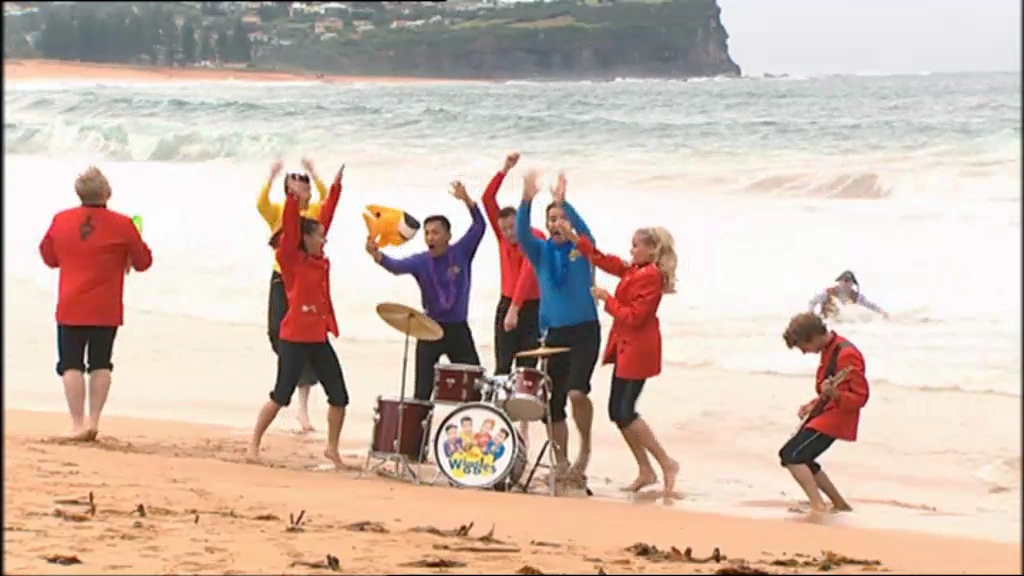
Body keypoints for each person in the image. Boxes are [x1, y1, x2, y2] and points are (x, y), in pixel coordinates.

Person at [558, 221, 681, 494]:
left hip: (639, 349)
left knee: (624, 411)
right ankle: (646, 469)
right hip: (627, 348)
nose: (631, 250)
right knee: (618, 411)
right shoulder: (634, 270)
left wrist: (607, 299)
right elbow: (603, 259)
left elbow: (635, 317)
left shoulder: (650, 276)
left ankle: (666, 463)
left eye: (636, 246)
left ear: (651, 249)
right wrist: (575, 238)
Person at [39, 166, 154, 441]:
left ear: (79, 193)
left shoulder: (61, 220)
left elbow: (49, 258)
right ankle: (93, 421)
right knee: (101, 363)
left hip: (71, 304)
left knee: (71, 364)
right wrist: (126, 255)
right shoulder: (123, 224)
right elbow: (144, 262)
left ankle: (77, 423)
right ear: (108, 193)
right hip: (106, 307)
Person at [248, 164, 350, 470]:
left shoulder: (320, 260)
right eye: (320, 237)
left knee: (340, 397)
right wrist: (292, 199)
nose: (324, 240)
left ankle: (332, 450)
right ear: (305, 239)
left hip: (318, 338)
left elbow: (326, 216)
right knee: (281, 396)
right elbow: (292, 229)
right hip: (294, 338)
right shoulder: (291, 261)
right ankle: (253, 445)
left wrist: (336, 188)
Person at [366, 181, 486, 403]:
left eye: (435, 233)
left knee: (475, 387)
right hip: (428, 328)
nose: (430, 237)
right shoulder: (420, 262)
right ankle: (419, 425)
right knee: (422, 394)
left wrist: (467, 200)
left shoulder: (462, 251)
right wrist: (377, 255)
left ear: (448, 235)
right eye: (427, 233)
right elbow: (396, 266)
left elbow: (479, 226)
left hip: (458, 330)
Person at [516, 170, 600, 480]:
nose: (557, 223)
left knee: (577, 392)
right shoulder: (540, 251)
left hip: (585, 330)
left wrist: (565, 204)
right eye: (552, 219)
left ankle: (585, 448)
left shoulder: (582, 248)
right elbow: (522, 234)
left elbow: (587, 233)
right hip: (554, 333)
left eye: (562, 219)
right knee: (552, 406)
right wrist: (526, 200)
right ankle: (561, 462)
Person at [258, 158, 330, 433]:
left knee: (305, 338)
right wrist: (271, 177)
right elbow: (261, 204)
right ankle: (289, 379)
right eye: (292, 188)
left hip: (303, 282)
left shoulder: (313, 213)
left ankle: (302, 406)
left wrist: (314, 172)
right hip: (281, 279)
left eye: (303, 187)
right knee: (276, 333)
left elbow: (327, 198)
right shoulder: (279, 212)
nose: (298, 191)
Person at [481, 151, 545, 445]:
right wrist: (504, 169)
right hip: (507, 304)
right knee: (503, 366)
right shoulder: (502, 237)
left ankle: (524, 431)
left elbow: (528, 272)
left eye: (512, 227)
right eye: (504, 228)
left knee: (528, 370)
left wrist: (516, 308)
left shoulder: (535, 237)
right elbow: (487, 199)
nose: (508, 233)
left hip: (531, 308)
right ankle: (497, 425)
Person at [779, 312, 870, 514]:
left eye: (803, 346)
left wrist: (835, 394)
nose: (804, 352)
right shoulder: (830, 350)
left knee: (790, 455)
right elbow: (829, 389)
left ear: (813, 336)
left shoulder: (846, 354)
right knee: (803, 458)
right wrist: (813, 404)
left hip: (837, 418)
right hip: (826, 413)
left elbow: (860, 397)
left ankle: (817, 505)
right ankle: (839, 504)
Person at [808, 270, 888, 319]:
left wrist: (882, 312)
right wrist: (811, 314)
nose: (847, 284)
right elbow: (812, 302)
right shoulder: (828, 292)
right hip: (829, 322)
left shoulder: (856, 296)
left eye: (850, 281)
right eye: (845, 281)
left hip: (846, 325)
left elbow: (871, 305)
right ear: (839, 281)